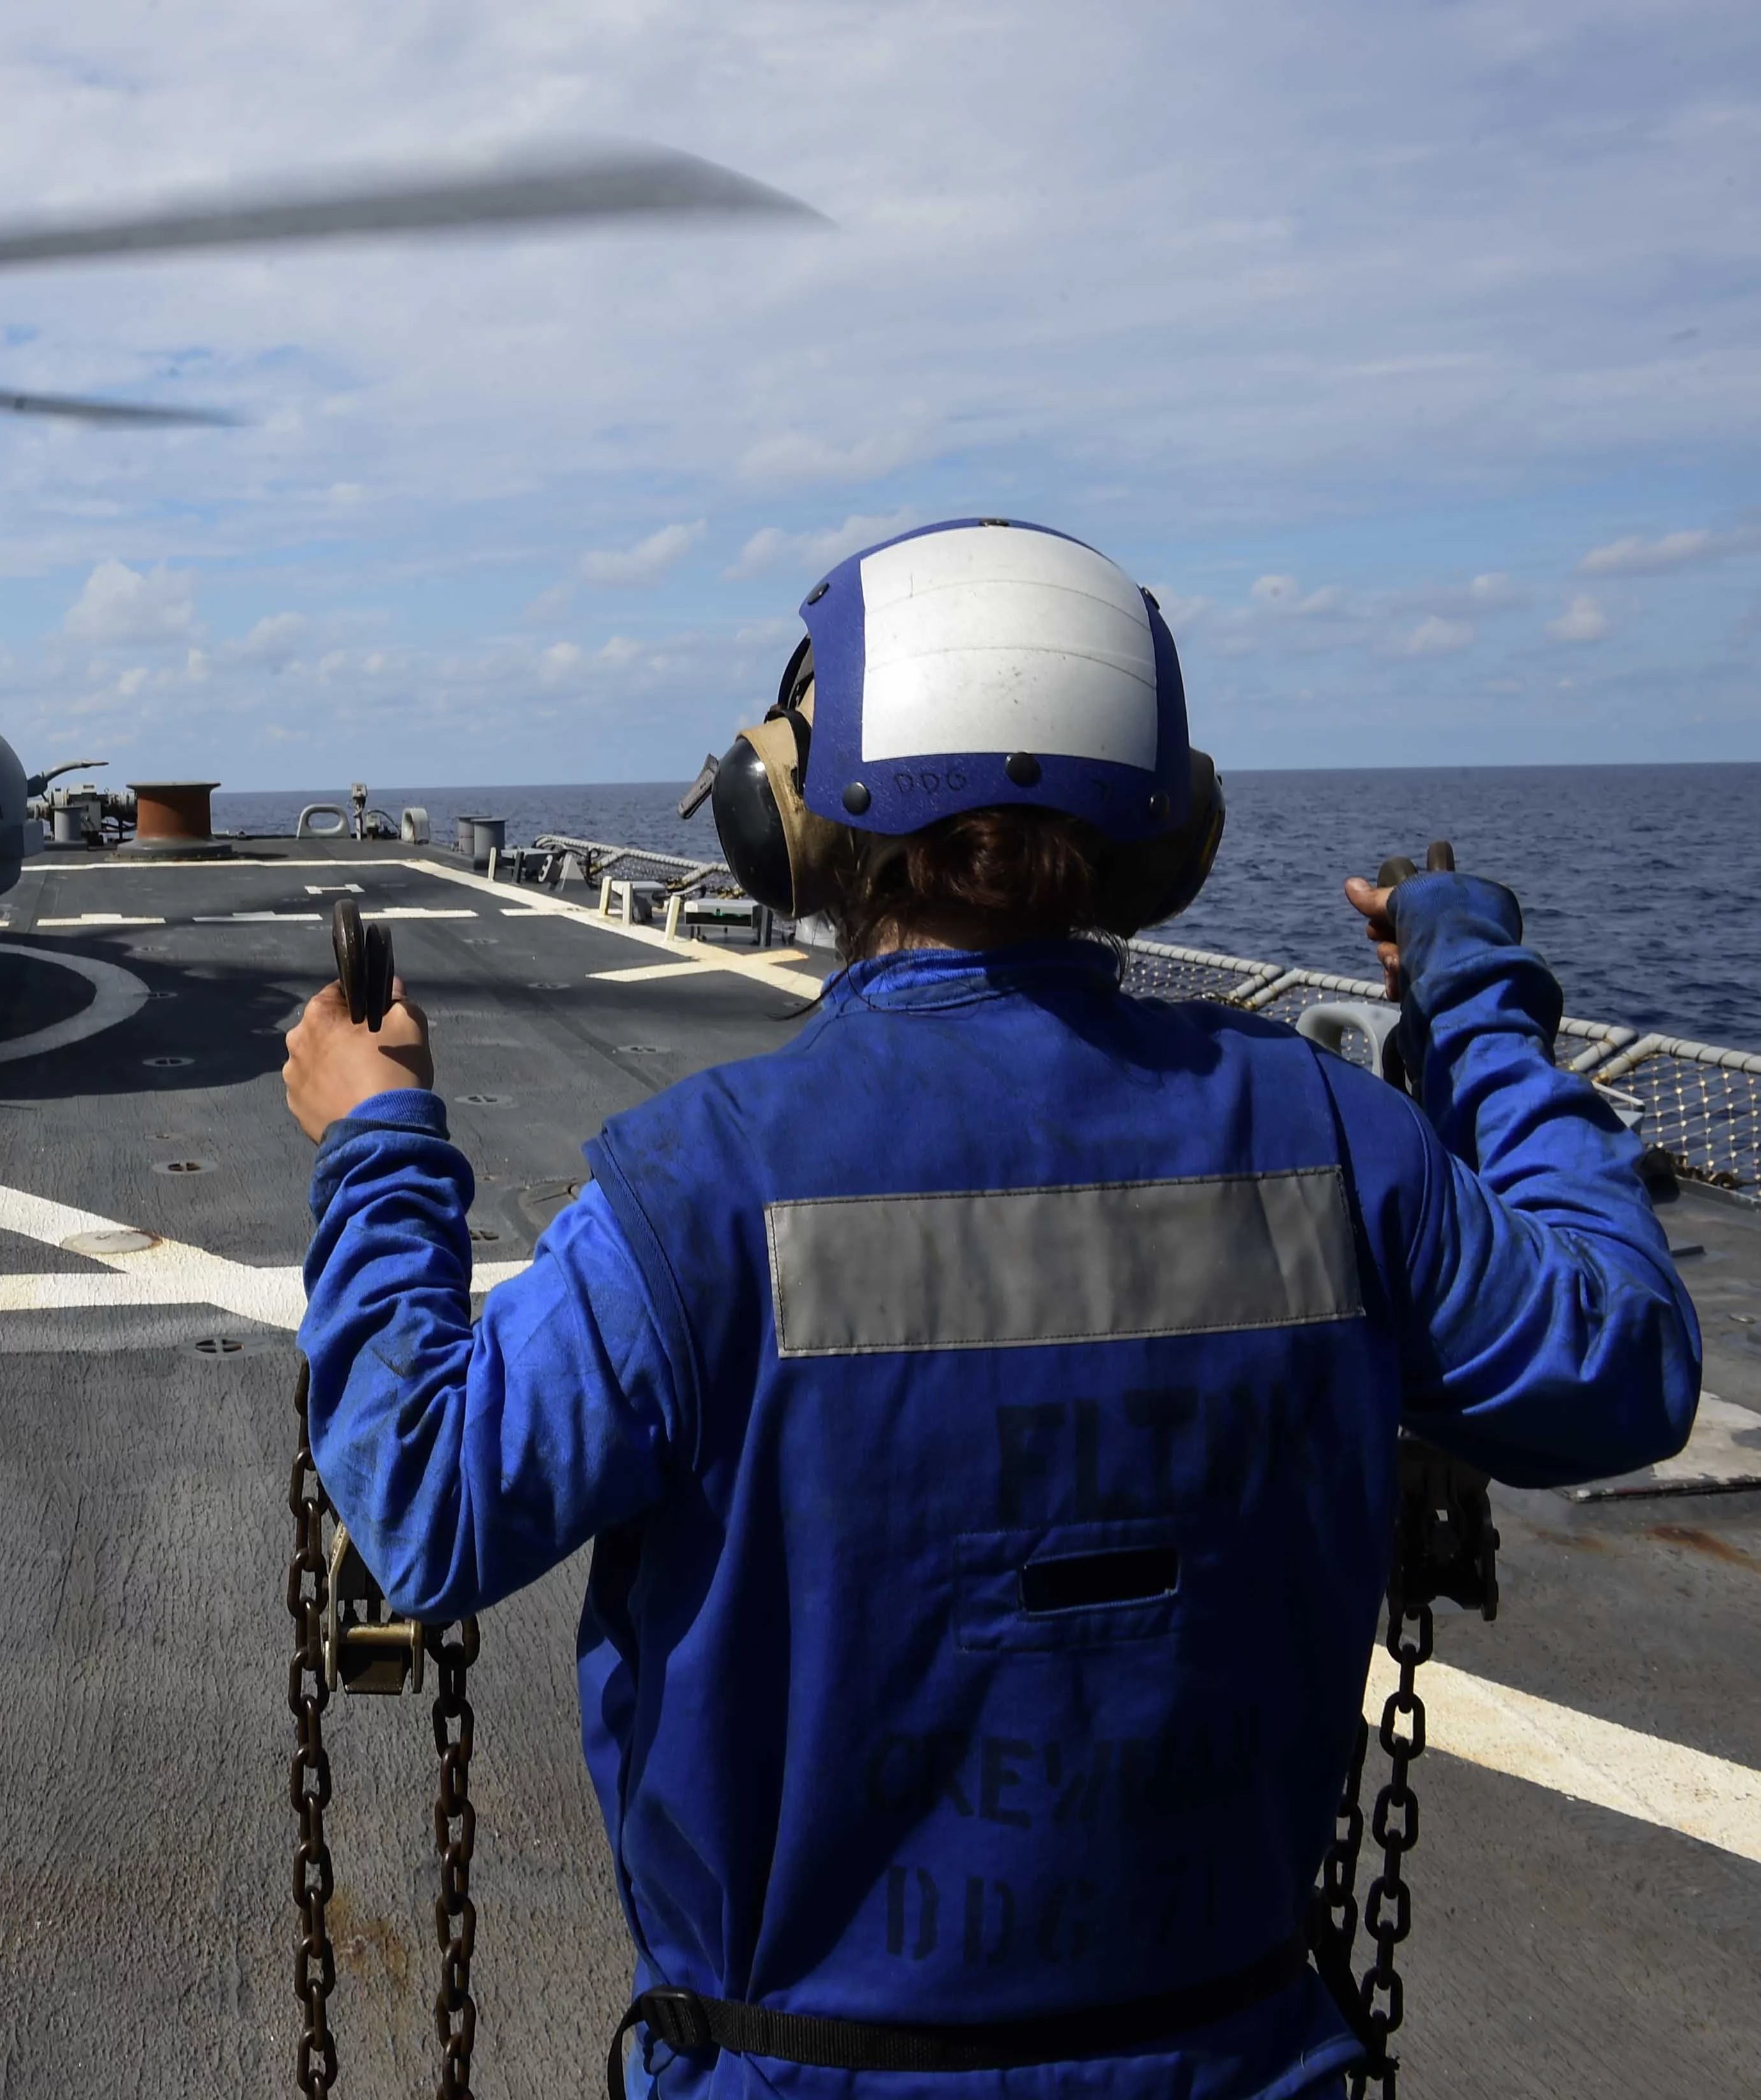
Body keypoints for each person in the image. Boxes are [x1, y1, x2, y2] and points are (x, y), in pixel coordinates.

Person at [281, 519, 1698, 2099]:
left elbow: (420, 1497)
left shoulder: (701, 1186)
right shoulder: (1342, 1146)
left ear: (794, 817)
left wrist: (381, 1138)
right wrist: (1479, 1006)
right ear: (1167, 819)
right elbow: (1622, 1362)